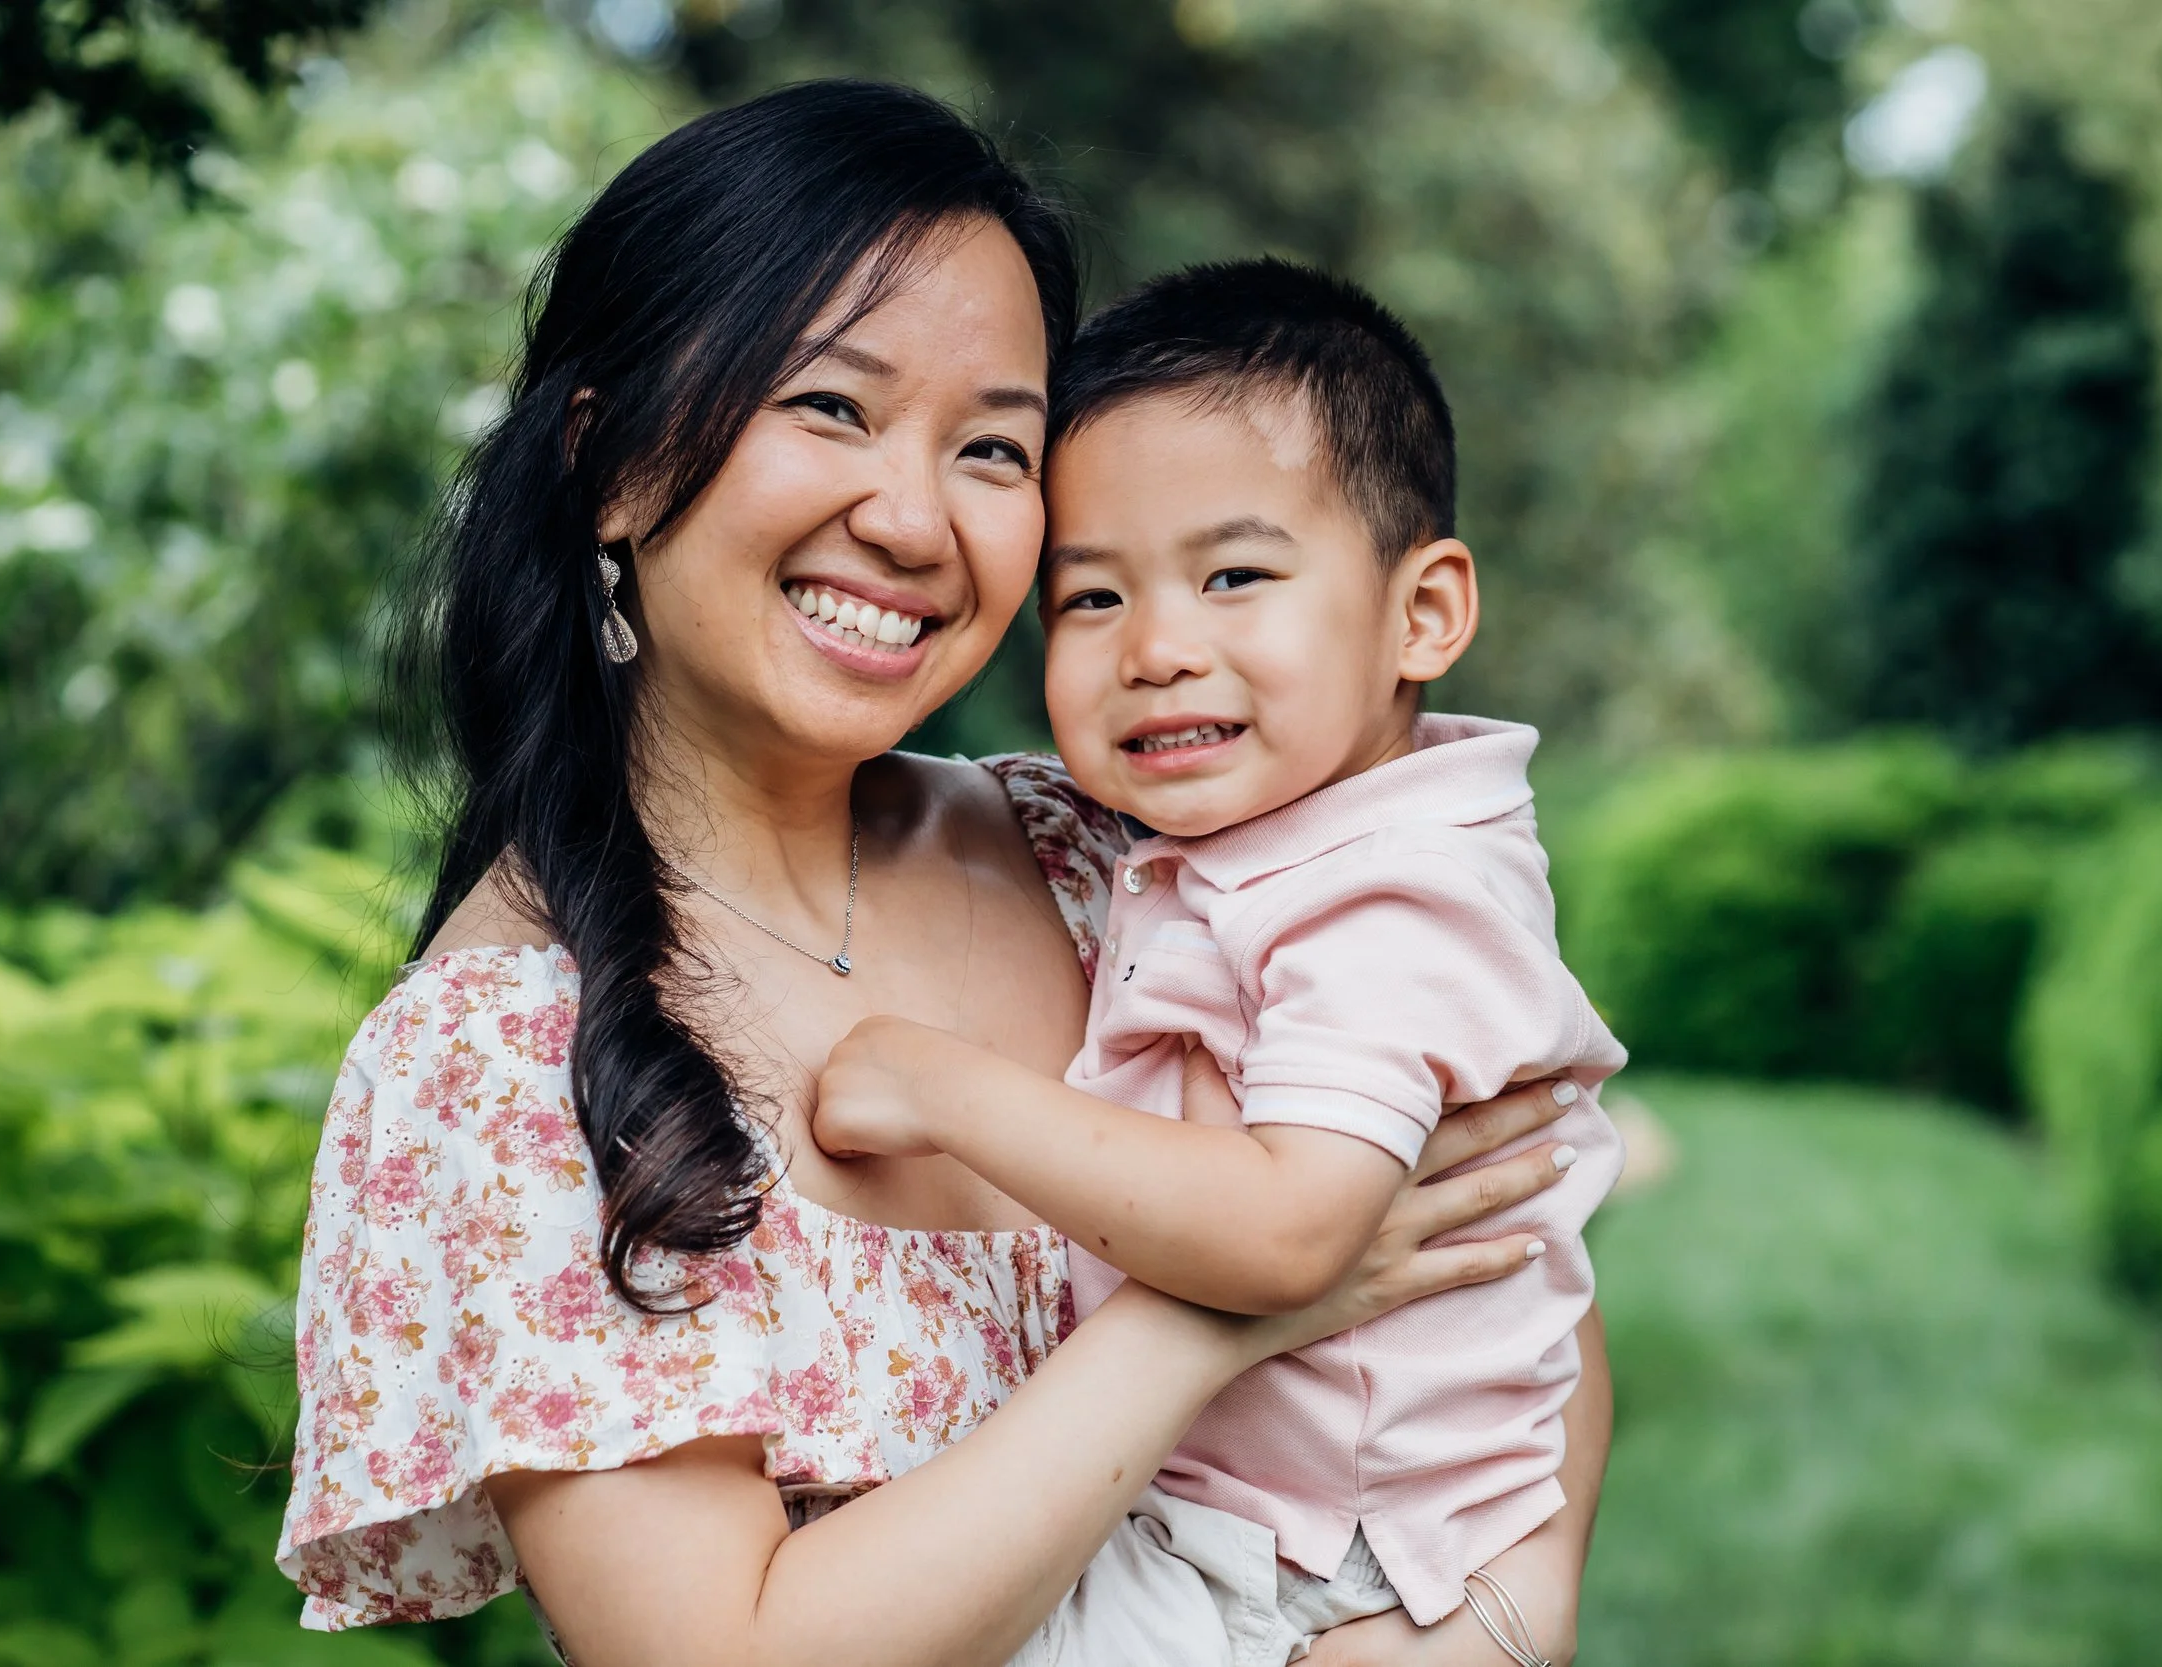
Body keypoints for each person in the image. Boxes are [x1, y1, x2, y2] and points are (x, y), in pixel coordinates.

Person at [276, 80, 1608, 1667]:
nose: (913, 520)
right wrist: (1216, 1307)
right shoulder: (504, 1054)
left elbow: (1510, 1252)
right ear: (612, 461)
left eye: (991, 447)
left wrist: (1501, 1620)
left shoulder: (1116, 855)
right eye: (832, 409)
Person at [812, 260, 1625, 1666]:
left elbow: (1290, 1234)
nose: (1157, 649)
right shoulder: (1282, 840)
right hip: (1264, 1520)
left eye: (1234, 576)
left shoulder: (1395, 893)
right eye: (1091, 598)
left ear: (1424, 613)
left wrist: (937, 1087)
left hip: (1331, 1564)